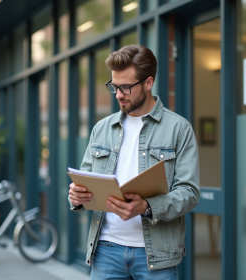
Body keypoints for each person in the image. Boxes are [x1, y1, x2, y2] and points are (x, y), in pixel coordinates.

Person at [68, 44, 200, 280]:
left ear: (148, 83)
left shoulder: (179, 129)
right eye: (114, 87)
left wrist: (147, 207)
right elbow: (86, 180)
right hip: (105, 252)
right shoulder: (102, 129)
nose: (118, 95)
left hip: (156, 258)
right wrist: (76, 197)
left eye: (126, 87)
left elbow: (189, 193)